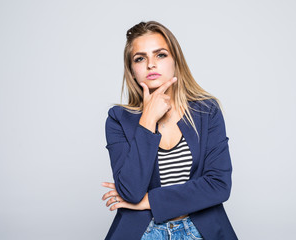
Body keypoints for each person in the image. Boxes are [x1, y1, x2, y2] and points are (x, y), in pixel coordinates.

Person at [101, 21, 237, 240]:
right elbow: (130, 192)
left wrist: (149, 201)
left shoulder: (206, 111)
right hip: (143, 232)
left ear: (176, 61)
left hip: (201, 230)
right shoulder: (118, 119)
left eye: (160, 55)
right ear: (133, 71)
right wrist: (147, 119)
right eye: (140, 58)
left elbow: (218, 185)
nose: (151, 65)